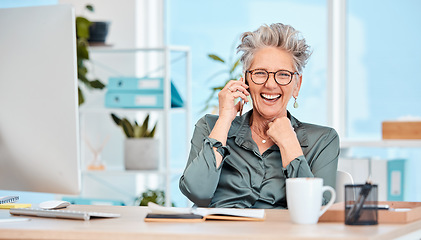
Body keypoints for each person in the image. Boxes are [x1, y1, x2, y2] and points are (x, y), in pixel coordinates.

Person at [179, 23, 339, 209]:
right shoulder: (210, 126)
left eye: (283, 74)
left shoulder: (322, 140)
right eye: (261, 73)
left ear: (297, 85)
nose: (271, 85)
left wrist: (289, 143)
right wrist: (224, 119)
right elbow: (197, 193)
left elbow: (316, 210)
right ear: (245, 80)